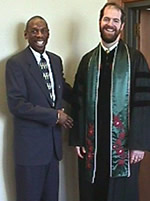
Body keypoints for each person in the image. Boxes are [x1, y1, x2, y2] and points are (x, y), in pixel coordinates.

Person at [69, 3, 150, 201]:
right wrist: (78, 138)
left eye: (115, 20)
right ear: (99, 22)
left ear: (122, 26)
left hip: (124, 144)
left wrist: (139, 144)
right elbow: (78, 102)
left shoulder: (135, 59)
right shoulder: (88, 61)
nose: (110, 24)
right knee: (93, 190)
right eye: (106, 19)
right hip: (93, 143)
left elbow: (143, 103)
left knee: (122, 193)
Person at [6, 16, 73, 201]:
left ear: (49, 33)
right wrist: (55, 116)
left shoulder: (55, 60)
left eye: (43, 30)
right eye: (34, 31)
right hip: (30, 152)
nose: (39, 35)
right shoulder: (16, 64)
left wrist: (91, 98)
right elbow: (17, 104)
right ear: (26, 34)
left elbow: (63, 89)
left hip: (53, 150)